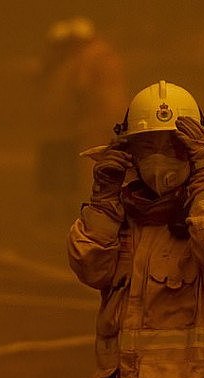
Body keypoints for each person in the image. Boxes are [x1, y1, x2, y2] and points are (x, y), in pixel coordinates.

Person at [68, 81, 204, 378]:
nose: (159, 159)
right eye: (148, 146)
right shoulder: (120, 213)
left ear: (194, 151)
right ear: (129, 152)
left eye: (173, 147)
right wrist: (103, 200)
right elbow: (90, 267)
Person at [37, 16, 126, 224]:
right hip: (117, 118)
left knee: (92, 166)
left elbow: (82, 89)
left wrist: (78, 116)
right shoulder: (109, 54)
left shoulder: (85, 58)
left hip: (94, 119)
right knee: (118, 163)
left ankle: (101, 211)